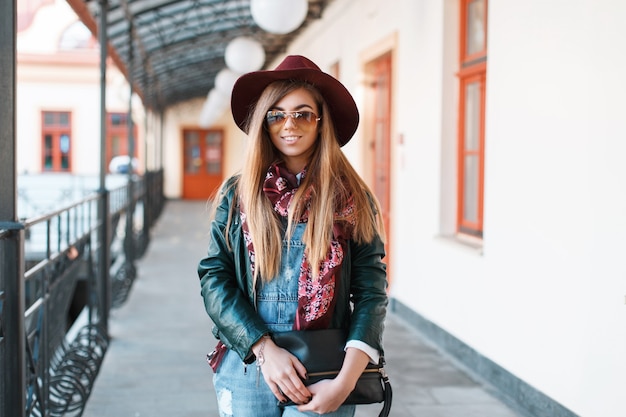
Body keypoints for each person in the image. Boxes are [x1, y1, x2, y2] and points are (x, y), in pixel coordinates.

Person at [198, 55, 388, 417]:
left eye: (303, 114)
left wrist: (345, 383)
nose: (290, 124)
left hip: (326, 372)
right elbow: (214, 277)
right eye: (277, 114)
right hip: (249, 365)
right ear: (264, 124)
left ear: (320, 123)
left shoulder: (352, 199)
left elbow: (370, 294)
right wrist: (264, 349)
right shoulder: (237, 195)